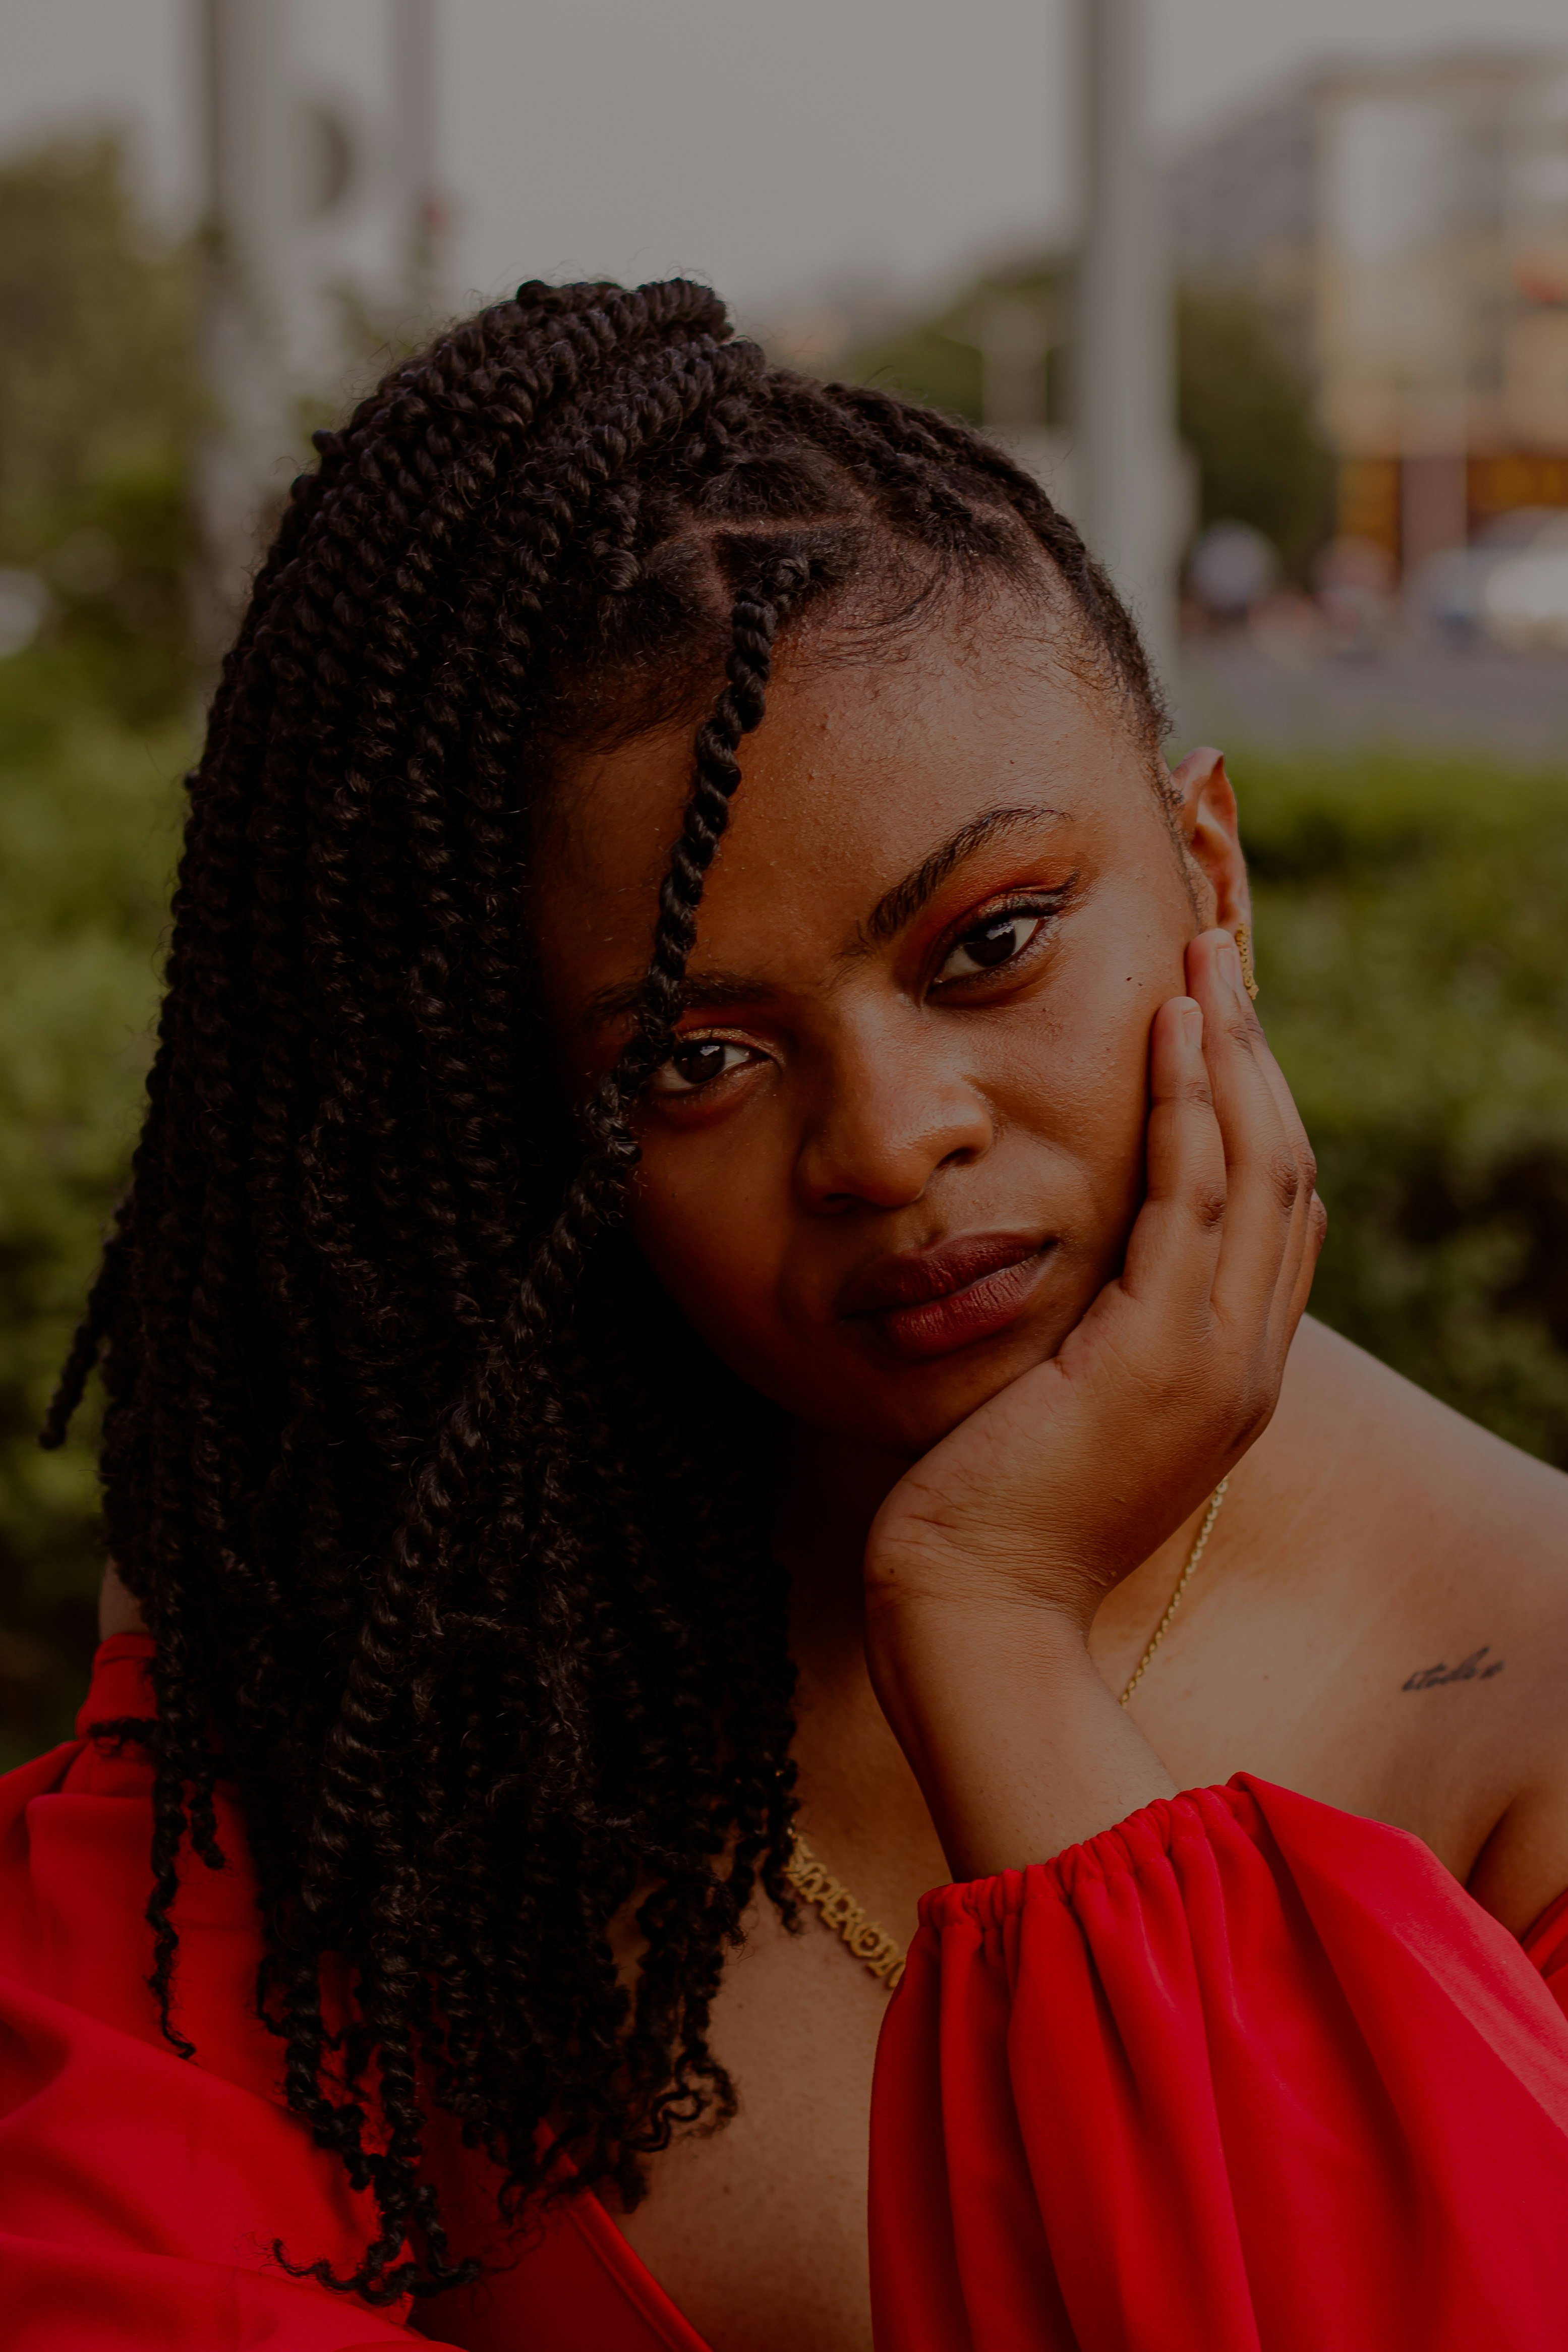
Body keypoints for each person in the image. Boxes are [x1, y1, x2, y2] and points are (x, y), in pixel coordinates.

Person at [3, 279, 1567, 2352]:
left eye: (990, 940)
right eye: (692, 1059)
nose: (891, 1138)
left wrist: (992, 1621)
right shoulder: (354, 1642)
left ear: (1212, 875)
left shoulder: (1531, 1665)